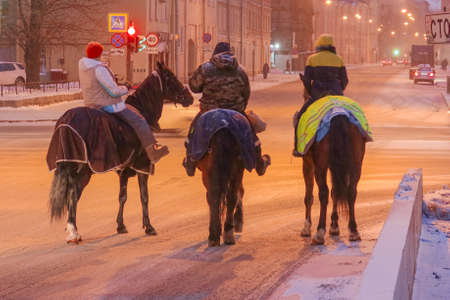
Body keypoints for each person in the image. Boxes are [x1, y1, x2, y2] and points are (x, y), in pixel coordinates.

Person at [182, 42, 271, 176]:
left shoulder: (205, 68)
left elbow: (194, 86)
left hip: (209, 112)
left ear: (215, 54)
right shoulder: (240, 70)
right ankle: (259, 163)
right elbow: (246, 93)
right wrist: (240, 109)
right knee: (251, 134)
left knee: (193, 132)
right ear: (231, 54)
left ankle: (190, 162)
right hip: (235, 112)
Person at [78, 41, 169, 163]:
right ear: (99, 54)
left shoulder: (83, 66)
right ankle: (153, 153)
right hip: (108, 105)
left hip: (90, 104)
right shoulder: (99, 69)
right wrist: (126, 87)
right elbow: (113, 92)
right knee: (139, 121)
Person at [293, 34, 348, 156]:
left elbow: (307, 80)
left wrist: (311, 91)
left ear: (318, 45)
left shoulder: (312, 59)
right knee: (351, 117)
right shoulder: (338, 59)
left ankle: (298, 147)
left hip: (318, 95)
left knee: (300, 118)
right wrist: (338, 91)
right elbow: (345, 80)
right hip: (336, 96)